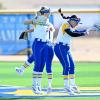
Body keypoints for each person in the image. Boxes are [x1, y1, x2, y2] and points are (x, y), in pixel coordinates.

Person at [16, 6, 55, 94]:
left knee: (41, 65)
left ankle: (38, 86)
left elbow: (39, 28)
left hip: (46, 44)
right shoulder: (39, 18)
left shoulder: (47, 21)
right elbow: (25, 22)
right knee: (37, 64)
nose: (49, 13)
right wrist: (33, 21)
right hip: (38, 43)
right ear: (44, 12)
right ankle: (34, 86)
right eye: (48, 12)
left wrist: (29, 30)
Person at [54, 8, 89, 95]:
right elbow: (72, 34)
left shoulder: (71, 25)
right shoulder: (66, 24)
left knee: (72, 65)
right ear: (72, 20)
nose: (77, 23)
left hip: (66, 48)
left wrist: (84, 31)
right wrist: (83, 33)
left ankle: (72, 85)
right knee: (67, 65)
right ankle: (66, 87)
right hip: (60, 47)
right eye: (76, 22)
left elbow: (76, 31)